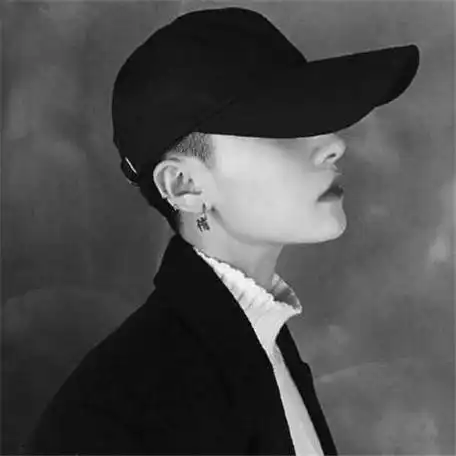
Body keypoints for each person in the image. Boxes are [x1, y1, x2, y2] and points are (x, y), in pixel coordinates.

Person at [19, 6, 419, 456]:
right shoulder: (123, 411)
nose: (334, 144)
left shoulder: (261, 344)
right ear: (184, 186)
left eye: (316, 119)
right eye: (284, 127)